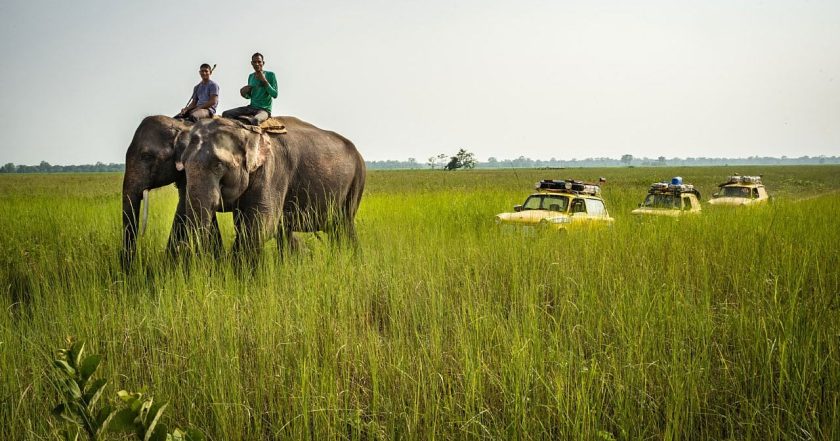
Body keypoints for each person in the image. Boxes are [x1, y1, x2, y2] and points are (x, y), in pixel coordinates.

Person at [222, 52, 278, 125]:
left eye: (259, 62)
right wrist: (243, 93)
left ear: (263, 63)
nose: (257, 64)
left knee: (255, 120)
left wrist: (264, 81)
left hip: (264, 110)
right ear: (251, 63)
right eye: (254, 62)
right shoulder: (251, 76)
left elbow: (275, 94)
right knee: (226, 114)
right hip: (251, 107)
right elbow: (249, 96)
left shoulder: (270, 75)